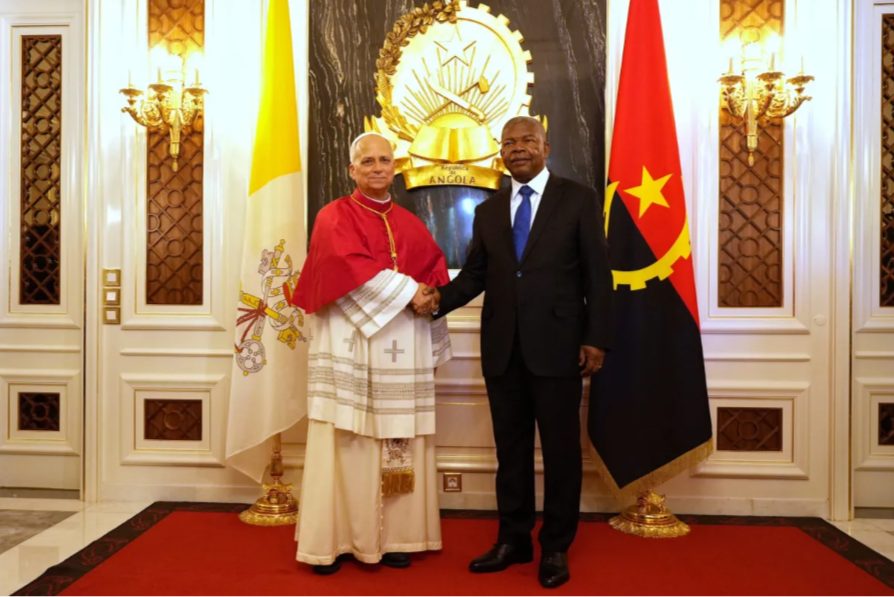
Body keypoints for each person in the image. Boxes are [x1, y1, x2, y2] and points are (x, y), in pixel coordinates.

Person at [415, 116, 612, 589]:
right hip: (503, 350)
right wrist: (437, 299)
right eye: (509, 143)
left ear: (546, 147)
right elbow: (475, 276)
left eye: (527, 140)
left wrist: (596, 338)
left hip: (560, 349)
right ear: (500, 152)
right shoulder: (489, 211)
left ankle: (556, 546)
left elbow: (597, 275)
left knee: (561, 453)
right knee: (511, 451)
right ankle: (513, 539)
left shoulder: (578, 199)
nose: (517, 148)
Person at [287, 132, 451, 574]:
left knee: (398, 443)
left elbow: (434, 271)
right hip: (352, 349)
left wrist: (432, 297)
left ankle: (396, 537)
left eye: (385, 160)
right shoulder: (333, 216)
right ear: (352, 170)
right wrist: (409, 292)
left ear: (394, 167)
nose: (378, 168)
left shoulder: (411, 222)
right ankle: (335, 541)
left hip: (401, 351)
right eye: (368, 161)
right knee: (348, 441)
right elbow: (345, 265)